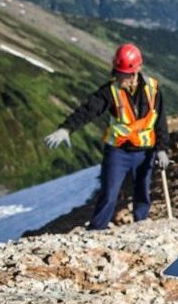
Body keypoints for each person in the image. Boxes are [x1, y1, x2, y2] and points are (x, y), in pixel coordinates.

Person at [44, 43, 169, 230]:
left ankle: (141, 227)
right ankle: (96, 229)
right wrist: (66, 128)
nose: (119, 78)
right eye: (117, 73)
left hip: (145, 152)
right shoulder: (110, 92)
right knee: (109, 192)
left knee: (142, 191)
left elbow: (160, 122)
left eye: (123, 75)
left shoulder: (153, 89)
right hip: (118, 152)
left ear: (136, 71)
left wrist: (162, 149)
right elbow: (88, 110)